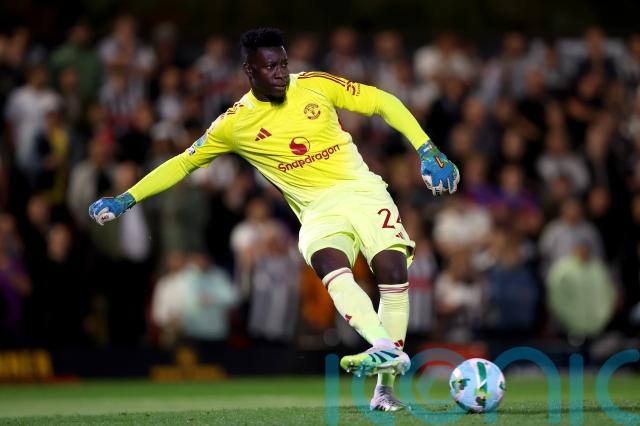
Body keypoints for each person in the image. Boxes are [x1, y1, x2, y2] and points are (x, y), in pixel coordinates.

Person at [88, 28, 459, 411]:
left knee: (392, 269)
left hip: (362, 191)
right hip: (316, 210)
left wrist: (426, 148)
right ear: (250, 71)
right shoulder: (234, 124)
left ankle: (384, 388)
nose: (281, 73)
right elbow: (184, 162)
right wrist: (128, 197)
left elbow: (381, 101)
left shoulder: (314, 84)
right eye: (270, 67)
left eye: (283, 64)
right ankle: (382, 346)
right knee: (329, 264)